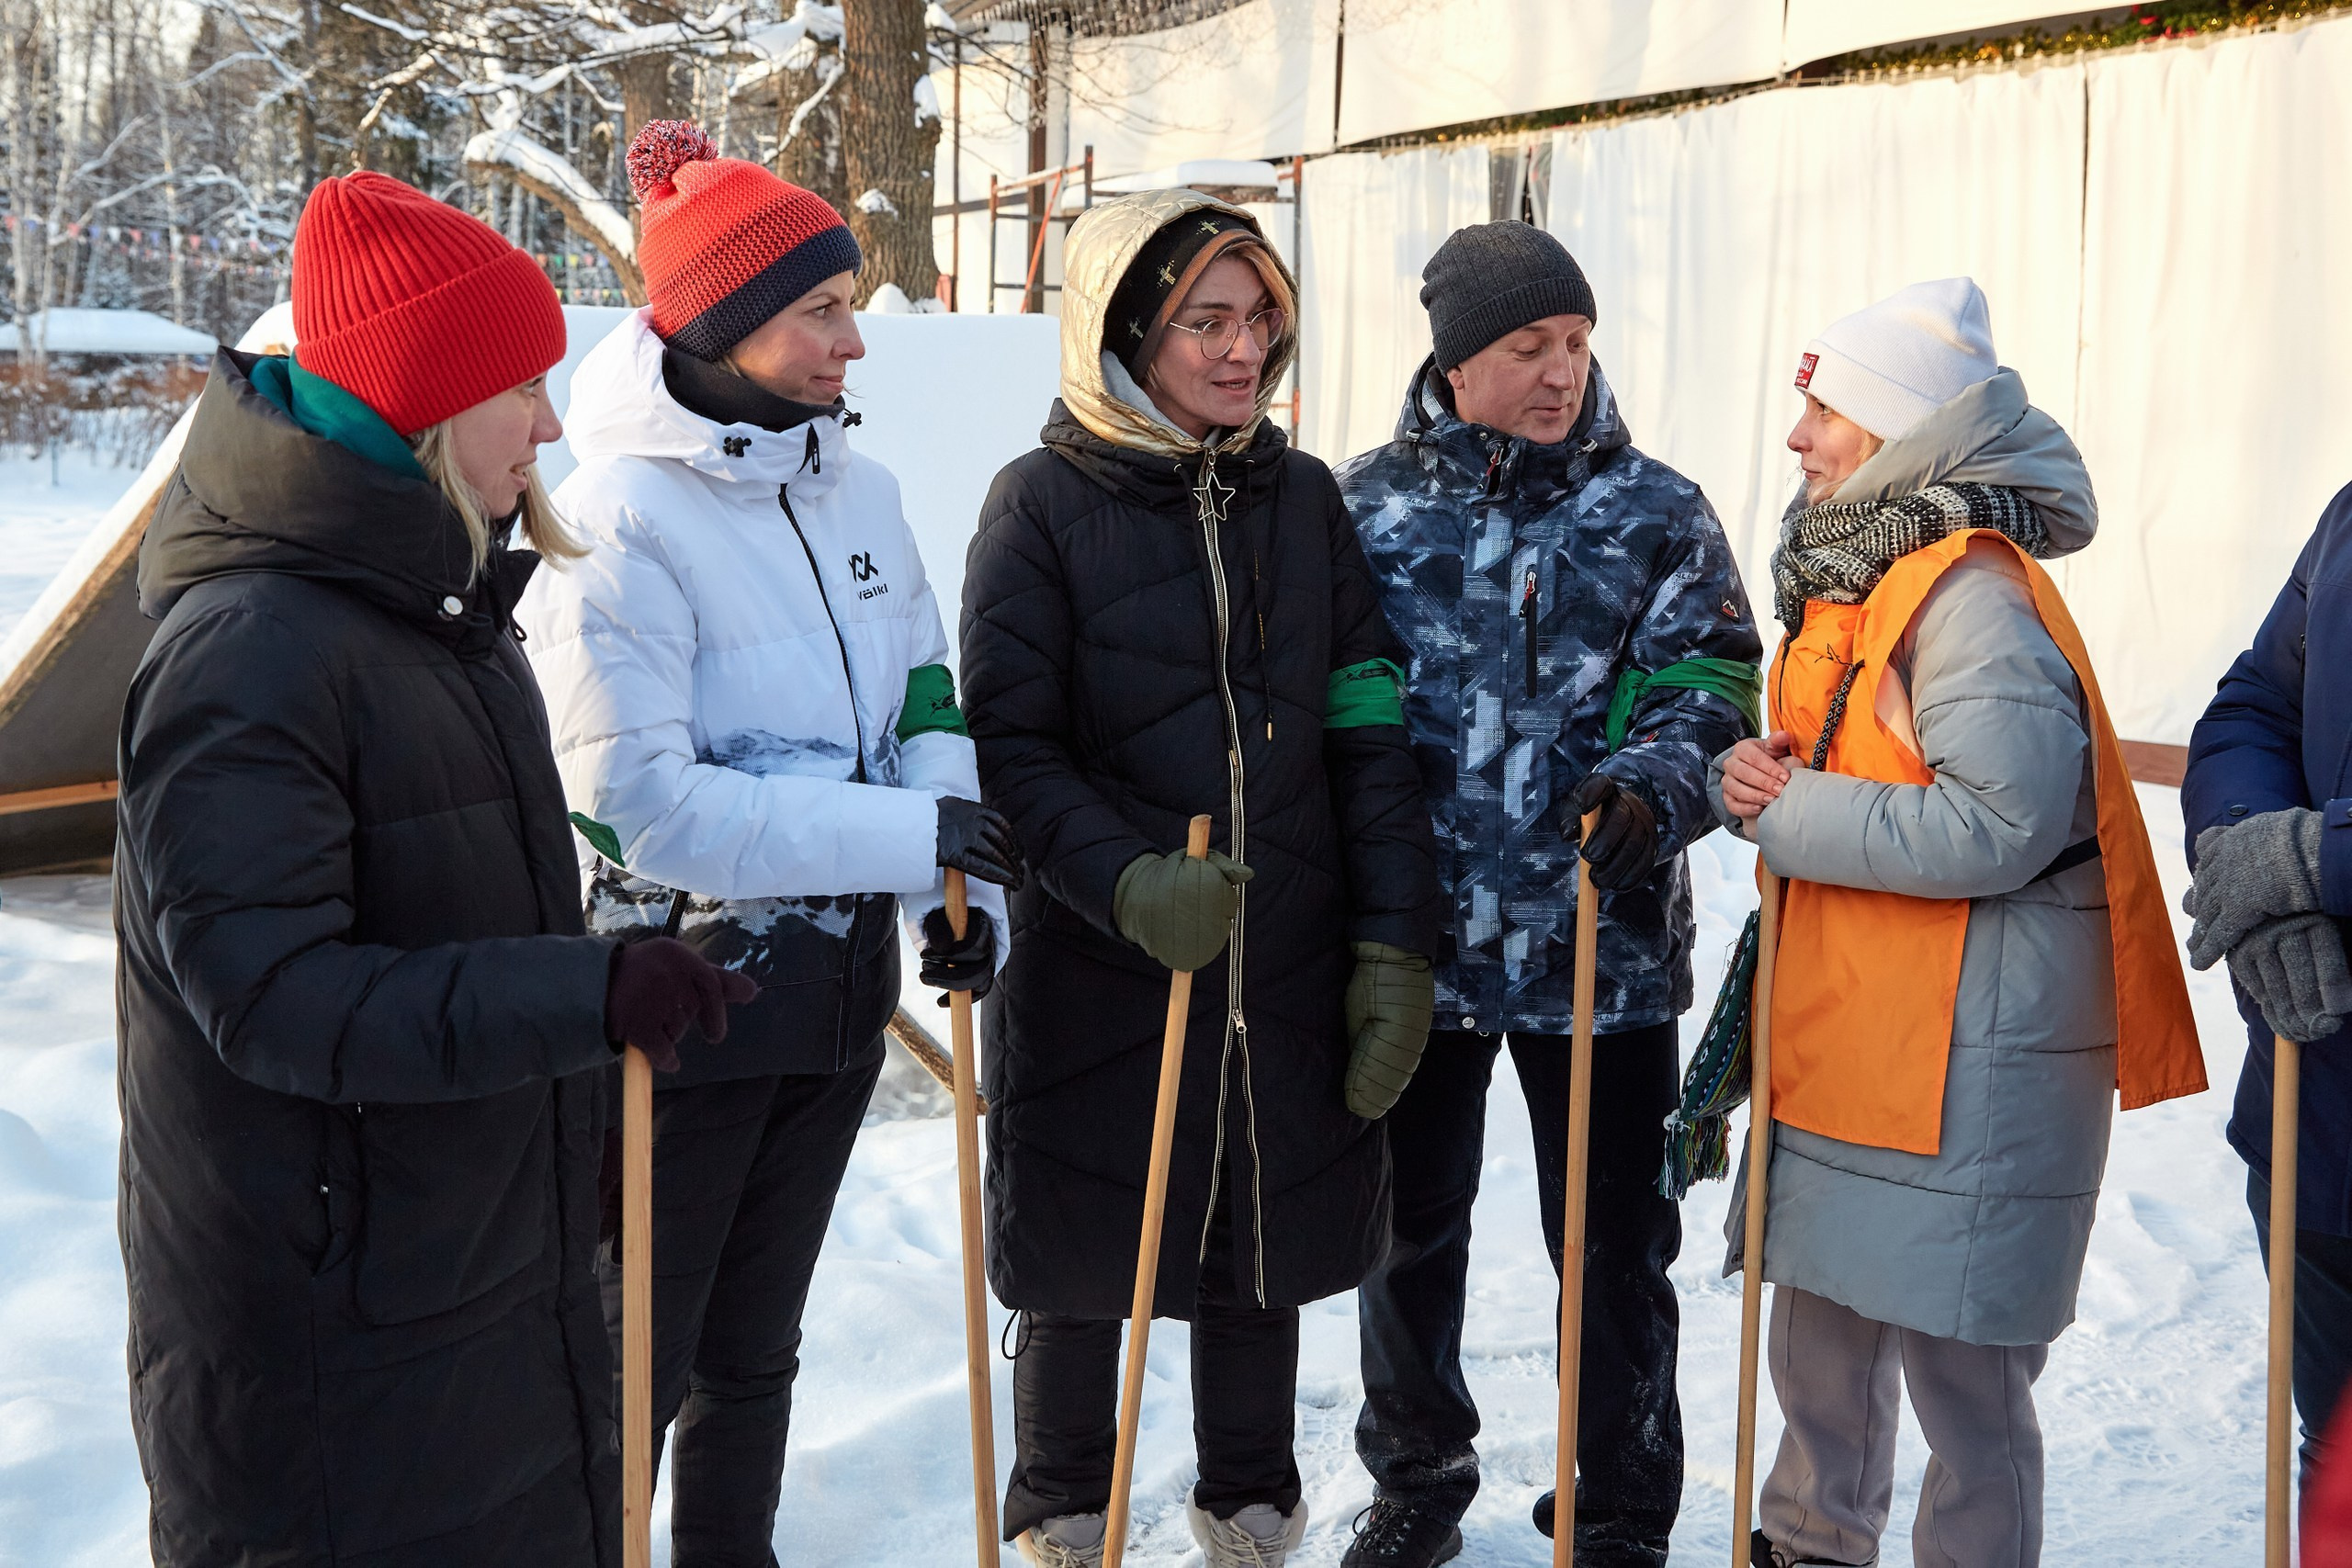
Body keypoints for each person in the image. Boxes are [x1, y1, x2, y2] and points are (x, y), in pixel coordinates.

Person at [114, 170, 752, 1567]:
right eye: (519, 384)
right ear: (421, 398)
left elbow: (457, 925)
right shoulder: (252, 653)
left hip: (464, 1286)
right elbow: (279, 998)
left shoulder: (440, 610)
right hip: (336, 1352)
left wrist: (564, 1122)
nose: (552, 420)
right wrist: (582, 1002)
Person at [515, 120, 1023, 1565]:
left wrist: (948, 869)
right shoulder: (618, 519)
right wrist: (906, 828)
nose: (854, 342)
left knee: (760, 1341)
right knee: (638, 1358)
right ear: (730, 322)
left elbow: (928, 688)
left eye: (848, 305)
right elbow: (640, 803)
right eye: (821, 310)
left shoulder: (856, 489)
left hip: (832, 996)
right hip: (680, 1010)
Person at [959, 189, 1443, 1568]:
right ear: (1124, 332)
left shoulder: (1302, 500)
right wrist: (1120, 879)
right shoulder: (1039, 505)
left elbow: (1366, 720)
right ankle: (1061, 1522)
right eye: (1205, 322)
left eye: (1260, 319)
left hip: (1284, 954)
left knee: (1260, 1240)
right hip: (1102, 959)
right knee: (1076, 1254)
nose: (1243, 351)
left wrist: (1393, 941)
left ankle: (1249, 1522)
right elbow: (1010, 742)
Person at [1713, 278, 2204, 1568]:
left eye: (1821, 405)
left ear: (1891, 429)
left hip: (1963, 1062)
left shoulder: (1968, 589)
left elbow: (2004, 821)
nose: (1798, 433)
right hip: (1860, 1034)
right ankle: (1808, 1546)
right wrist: (1762, 778)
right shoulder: (1857, 575)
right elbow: (1850, 763)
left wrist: (1790, 810)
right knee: (1818, 1348)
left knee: (1961, 1384)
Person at [1330, 220, 1760, 1568]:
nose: (1562, 370)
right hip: (1424, 943)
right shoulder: (1358, 510)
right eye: (1529, 347)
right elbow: (1333, 712)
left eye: (1576, 342)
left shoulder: (1658, 510)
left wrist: (1654, 785)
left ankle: (1621, 1502)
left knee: (1617, 1239)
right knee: (1410, 1229)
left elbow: (1713, 682)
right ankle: (1415, 1480)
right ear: (1457, 363)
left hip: (1604, 939)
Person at [2181, 478, 2352, 1491]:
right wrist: (2254, 858)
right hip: (2320, 1110)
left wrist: (2317, 857)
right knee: (2335, 1478)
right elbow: (2251, 707)